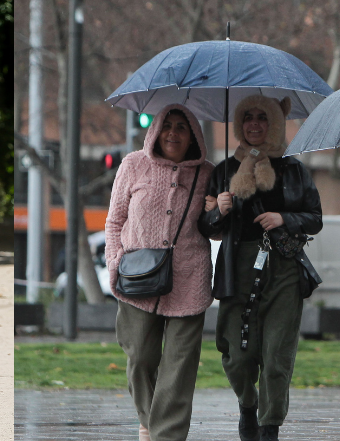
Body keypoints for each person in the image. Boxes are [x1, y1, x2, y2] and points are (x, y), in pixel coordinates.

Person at [196, 96, 323, 441]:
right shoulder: (223, 172)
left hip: (283, 266)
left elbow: (315, 219)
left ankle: (269, 426)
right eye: (248, 117)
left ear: (275, 123)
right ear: (239, 125)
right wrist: (218, 211)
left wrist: (285, 218)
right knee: (237, 354)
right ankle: (248, 404)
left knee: (276, 354)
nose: (254, 124)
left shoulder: (294, 169)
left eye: (262, 118)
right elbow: (206, 228)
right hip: (237, 267)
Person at [105, 103, 214, 441]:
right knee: (139, 358)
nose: (173, 132)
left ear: (193, 134)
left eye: (182, 126)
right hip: (137, 278)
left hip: (189, 279)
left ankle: (165, 436)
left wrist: (221, 209)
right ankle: (150, 421)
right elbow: (114, 222)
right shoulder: (133, 165)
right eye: (167, 125)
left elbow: (219, 230)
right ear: (154, 131)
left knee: (178, 369)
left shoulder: (208, 173)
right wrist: (114, 265)